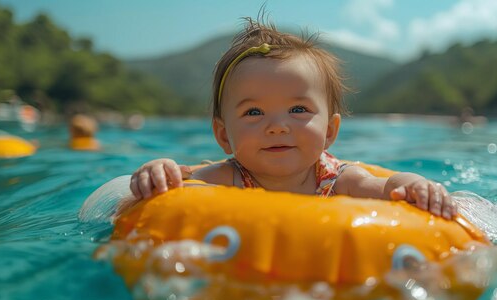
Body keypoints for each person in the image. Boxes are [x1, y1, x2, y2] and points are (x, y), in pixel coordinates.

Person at [129, 18, 457, 219]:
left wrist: (414, 185)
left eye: (298, 110)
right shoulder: (228, 177)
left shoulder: (336, 180)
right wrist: (160, 168)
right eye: (253, 112)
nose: (277, 126)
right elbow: (180, 178)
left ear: (330, 131)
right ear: (224, 136)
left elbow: (387, 188)